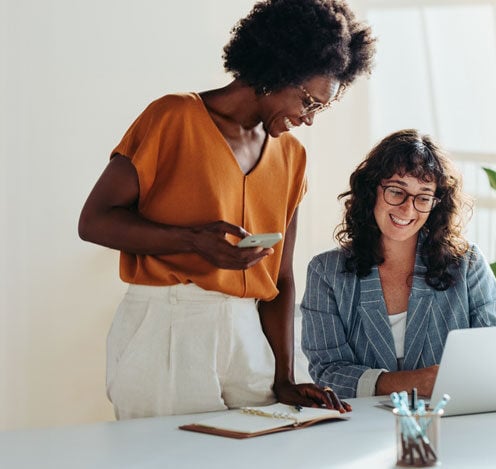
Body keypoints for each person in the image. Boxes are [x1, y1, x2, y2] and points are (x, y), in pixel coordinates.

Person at [78, 0, 375, 419]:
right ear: (278, 69)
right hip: (168, 324)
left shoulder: (292, 156)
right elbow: (94, 221)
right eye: (308, 101)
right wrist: (192, 241)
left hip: (247, 333)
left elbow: (281, 277)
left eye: (320, 108)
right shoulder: (173, 116)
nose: (308, 118)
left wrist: (285, 377)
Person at [300, 129, 496, 399]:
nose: (408, 207)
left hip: (452, 423)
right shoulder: (326, 273)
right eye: (396, 191)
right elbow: (328, 372)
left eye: (423, 197)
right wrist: (410, 382)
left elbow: (492, 351)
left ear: (436, 204)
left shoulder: (467, 265)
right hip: (359, 431)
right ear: (371, 191)